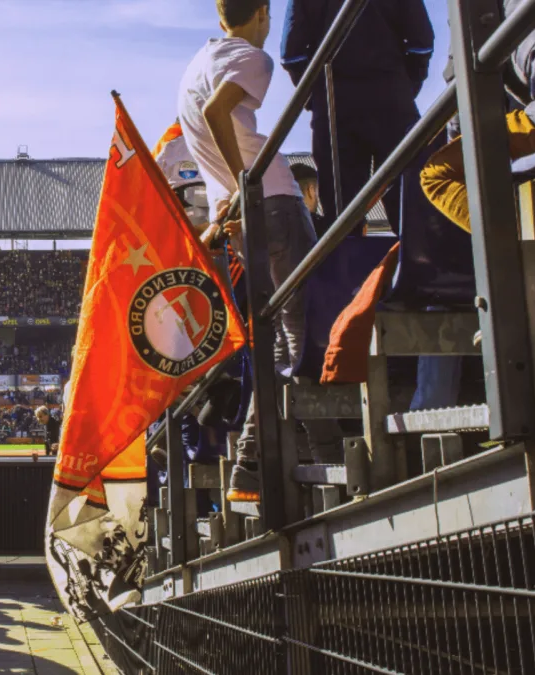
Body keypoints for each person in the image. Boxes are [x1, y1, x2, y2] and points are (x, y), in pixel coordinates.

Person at [177, 0, 342, 502]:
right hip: (270, 199)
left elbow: (205, 121)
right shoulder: (252, 57)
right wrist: (243, 180)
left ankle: (299, 450)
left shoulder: (196, 64)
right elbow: (218, 111)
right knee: (306, 325)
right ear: (264, 13)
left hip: (246, 213)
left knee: (280, 338)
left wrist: (231, 193)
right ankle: (280, 453)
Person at [281, 0, 433, 234]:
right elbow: (421, 43)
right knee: (412, 210)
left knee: (342, 219)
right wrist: (405, 85)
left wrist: (318, 97)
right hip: (391, 99)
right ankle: (423, 267)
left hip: (334, 107)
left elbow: (291, 54)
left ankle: (347, 268)